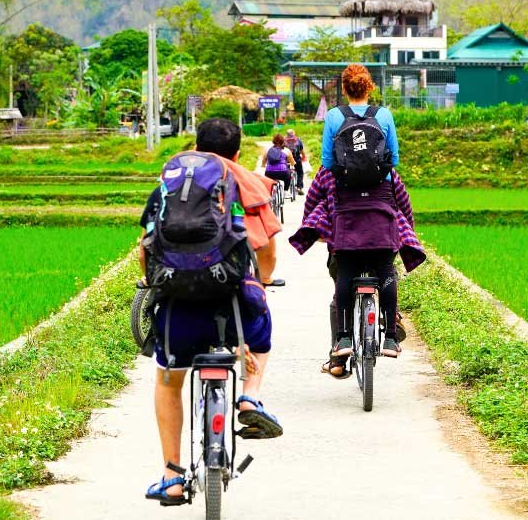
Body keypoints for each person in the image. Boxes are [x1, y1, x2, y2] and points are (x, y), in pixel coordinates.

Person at [139, 118, 285, 506]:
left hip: (179, 310)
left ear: (195, 147)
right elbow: (266, 249)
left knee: (169, 381)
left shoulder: (171, 183)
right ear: (236, 153)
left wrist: (156, 281)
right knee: (262, 334)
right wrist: (262, 282)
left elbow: (146, 246)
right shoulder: (245, 182)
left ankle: (172, 476)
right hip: (233, 308)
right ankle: (249, 397)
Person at [292, 64, 424, 377]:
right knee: (386, 270)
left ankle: (341, 342)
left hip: (346, 209)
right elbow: (393, 159)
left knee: (345, 272)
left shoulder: (334, 116)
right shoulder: (385, 115)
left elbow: (327, 161)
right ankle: (389, 338)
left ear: (344, 88)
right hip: (381, 208)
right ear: (369, 87)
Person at [285, 128, 306, 194]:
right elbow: (301, 150)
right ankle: (299, 187)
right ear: (294, 133)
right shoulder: (298, 140)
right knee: (300, 172)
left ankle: (286, 188)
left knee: (287, 172)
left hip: (287, 159)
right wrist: (304, 157)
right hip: (297, 159)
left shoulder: (284, 140)